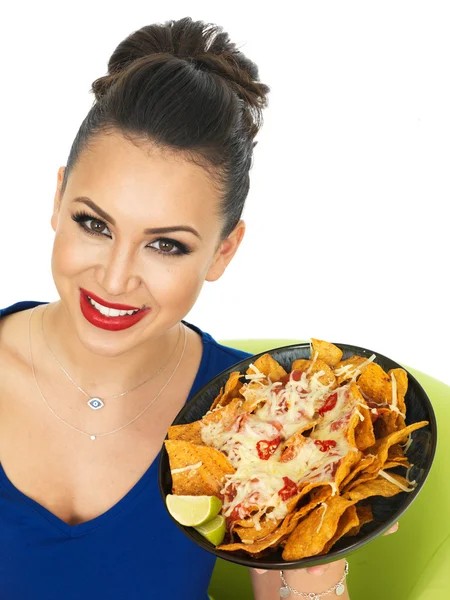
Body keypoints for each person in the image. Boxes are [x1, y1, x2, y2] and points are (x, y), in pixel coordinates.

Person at [0, 16, 396, 599]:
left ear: (223, 250)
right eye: (94, 223)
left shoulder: (258, 418)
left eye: (166, 245)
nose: (114, 278)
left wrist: (316, 563)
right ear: (58, 200)